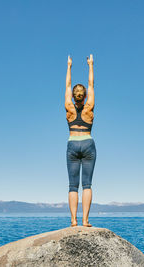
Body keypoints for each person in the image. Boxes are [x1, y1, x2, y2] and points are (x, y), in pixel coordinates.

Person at [65, 54, 96, 227]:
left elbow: (68, 85)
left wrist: (69, 66)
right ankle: (85, 220)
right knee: (87, 184)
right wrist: (90, 65)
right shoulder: (89, 106)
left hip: (72, 143)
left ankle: (73, 220)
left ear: (73, 96)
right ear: (83, 96)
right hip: (88, 143)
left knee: (72, 186)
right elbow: (91, 84)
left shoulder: (69, 106)